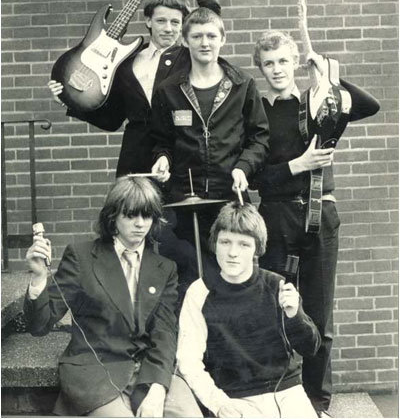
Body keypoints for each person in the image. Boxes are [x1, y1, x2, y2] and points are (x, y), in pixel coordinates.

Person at [252, 29, 380, 417]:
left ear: (295, 64)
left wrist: (327, 73)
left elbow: (369, 105)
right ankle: (279, 394)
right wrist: (298, 166)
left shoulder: (316, 102)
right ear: (260, 68)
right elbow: (256, 178)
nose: (277, 69)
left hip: (319, 215)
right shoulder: (255, 110)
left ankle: (317, 402)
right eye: (269, 63)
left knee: (318, 313)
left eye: (284, 61)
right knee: (275, 305)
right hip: (274, 215)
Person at [24, 176, 199, 417]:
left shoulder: (164, 268)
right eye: (131, 215)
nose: (140, 224)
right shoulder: (82, 257)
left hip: (150, 372)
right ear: (113, 217)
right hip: (96, 374)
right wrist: (39, 277)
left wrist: (158, 391)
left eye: (146, 215)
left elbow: (164, 334)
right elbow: (39, 324)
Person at [48, 0, 221, 177]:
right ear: (148, 21)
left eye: (175, 22)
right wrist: (67, 99)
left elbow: (211, 9)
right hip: (135, 157)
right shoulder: (126, 61)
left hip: (181, 155)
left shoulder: (190, 57)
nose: (168, 29)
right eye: (161, 21)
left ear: (183, 25)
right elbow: (112, 119)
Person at [150, 7, 269, 294]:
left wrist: (243, 167)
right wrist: (162, 159)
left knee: (231, 280)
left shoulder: (242, 85)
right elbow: (159, 140)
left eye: (211, 36)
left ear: (222, 39)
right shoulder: (168, 90)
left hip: (228, 200)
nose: (205, 42)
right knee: (187, 283)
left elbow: (260, 138)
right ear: (186, 40)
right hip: (181, 204)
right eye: (198, 36)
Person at [176, 202, 320, 418]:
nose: (232, 252)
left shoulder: (276, 285)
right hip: (235, 397)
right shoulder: (200, 292)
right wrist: (219, 403)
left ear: (256, 249)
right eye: (225, 242)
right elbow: (188, 361)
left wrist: (294, 315)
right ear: (215, 244)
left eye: (243, 244)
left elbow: (311, 347)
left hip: (287, 392)